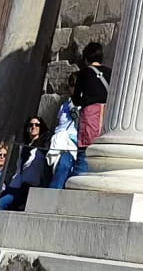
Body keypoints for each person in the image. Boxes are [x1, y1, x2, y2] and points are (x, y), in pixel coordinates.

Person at [71, 42, 111, 176]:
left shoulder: (84, 73)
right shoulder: (110, 73)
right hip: (106, 113)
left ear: (86, 58)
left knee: (85, 152)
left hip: (90, 113)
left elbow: (76, 98)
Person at [0, 117, 48, 210]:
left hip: (31, 185)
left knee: (1, 204)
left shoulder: (42, 147)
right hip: (17, 184)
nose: (34, 127)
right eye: (31, 125)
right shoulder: (23, 146)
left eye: (37, 125)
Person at [46, 73, 80, 189]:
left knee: (66, 167)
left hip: (75, 144)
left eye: (76, 85)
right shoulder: (63, 106)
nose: (74, 88)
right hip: (60, 142)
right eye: (71, 85)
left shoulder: (85, 107)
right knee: (61, 167)